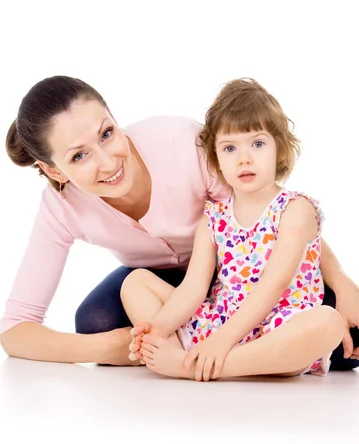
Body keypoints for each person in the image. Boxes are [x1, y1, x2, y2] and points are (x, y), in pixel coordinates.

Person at [0, 75, 359, 369]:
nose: (108, 163)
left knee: (348, 342)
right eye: (79, 156)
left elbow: (273, 219)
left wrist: (341, 281)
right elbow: (15, 329)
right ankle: (193, 359)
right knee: (95, 322)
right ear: (51, 170)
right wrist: (110, 346)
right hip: (173, 282)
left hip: (242, 269)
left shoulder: (182, 143)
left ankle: (212, 360)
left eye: (107, 133)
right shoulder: (59, 208)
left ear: (114, 118)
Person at [120, 78, 347, 381]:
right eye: (229, 148)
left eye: (257, 143)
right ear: (216, 158)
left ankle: (195, 366)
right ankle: (175, 352)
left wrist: (223, 340)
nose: (244, 158)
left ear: (279, 149)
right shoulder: (214, 218)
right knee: (136, 282)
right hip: (221, 320)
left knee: (327, 323)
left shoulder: (296, 210)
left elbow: (274, 285)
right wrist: (157, 328)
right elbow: (193, 288)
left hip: (276, 326)